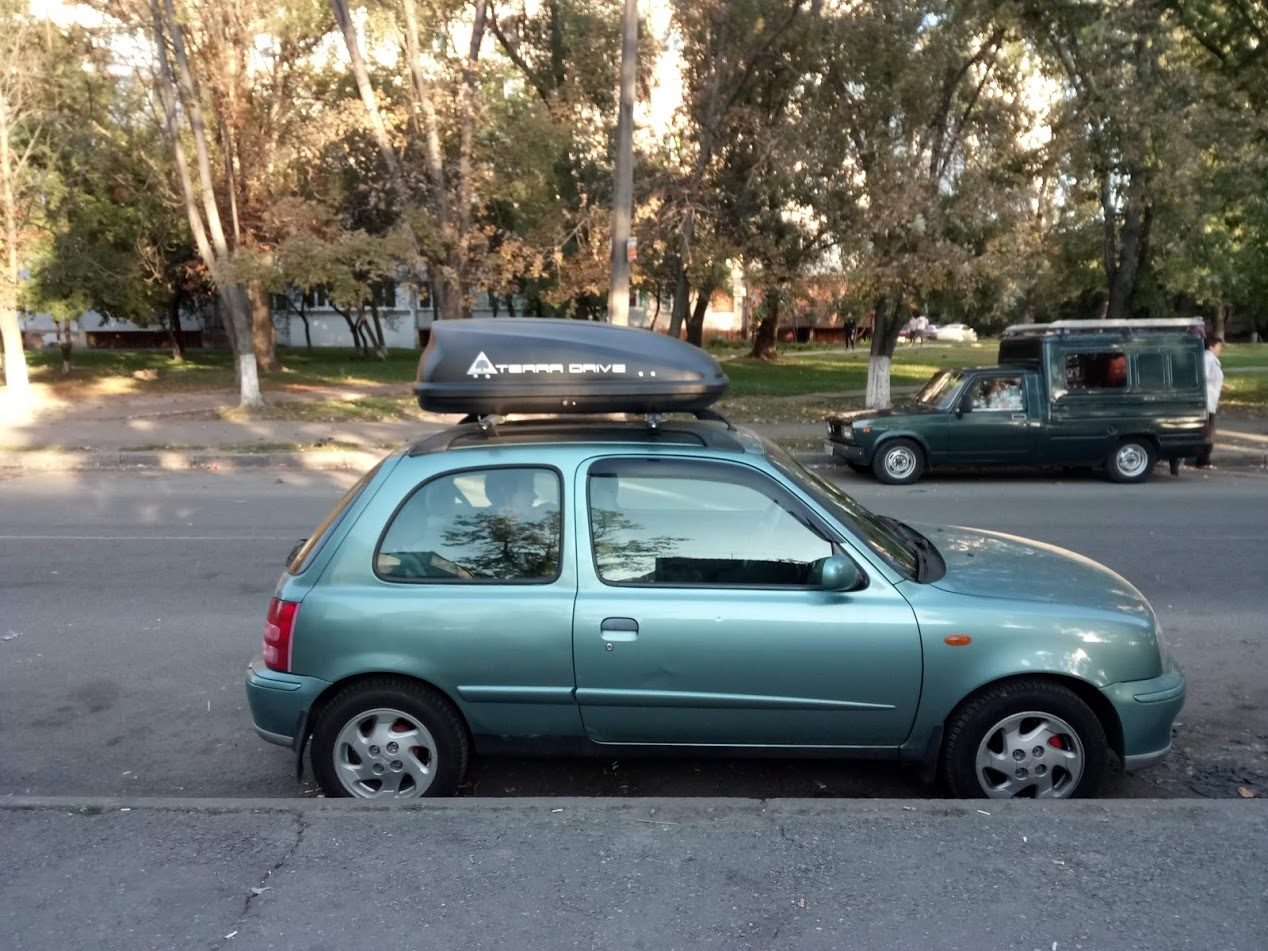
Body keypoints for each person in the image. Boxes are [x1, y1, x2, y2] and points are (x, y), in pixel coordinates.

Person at [1194, 337, 1228, 469]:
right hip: (1207, 401)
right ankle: (1203, 460)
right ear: (1211, 346)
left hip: (1210, 400)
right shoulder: (1208, 359)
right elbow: (1203, 377)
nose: (1220, 349)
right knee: (1207, 432)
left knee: (1208, 431)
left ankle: (1203, 459)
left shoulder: (1209, 359)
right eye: (1219, 346)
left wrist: (1221, 384)